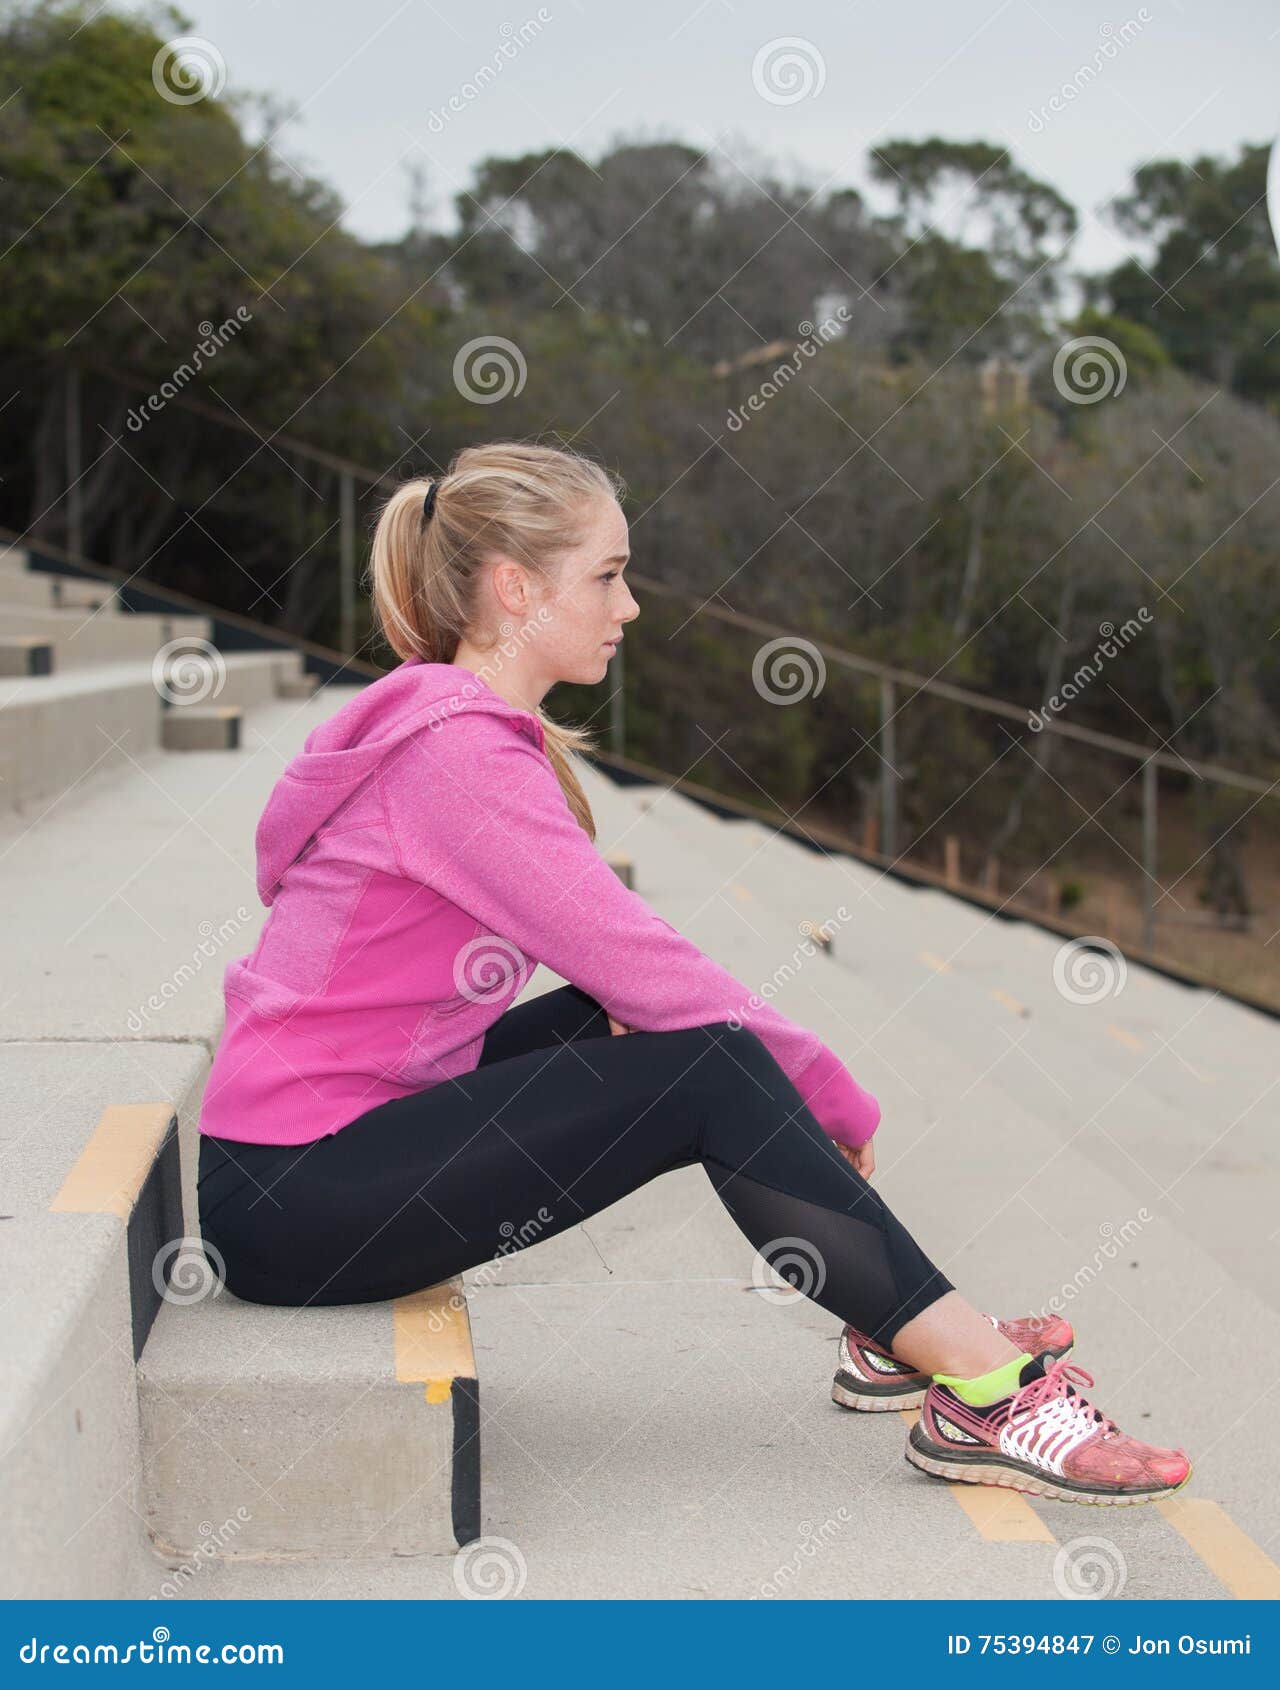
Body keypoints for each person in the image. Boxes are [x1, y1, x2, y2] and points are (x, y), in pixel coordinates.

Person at [196, 440, 1191, 1508]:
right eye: (608, 575)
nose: (627, 607)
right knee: (710, 1068)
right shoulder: (454, 758)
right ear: (514, 587)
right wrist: (822, 1087)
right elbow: (642, 960)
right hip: (295, 1194)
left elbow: (625, 985)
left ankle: (896, 1328)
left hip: (326, 1142)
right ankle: (988, 1388)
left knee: (628, 1027)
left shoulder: (443, 724)